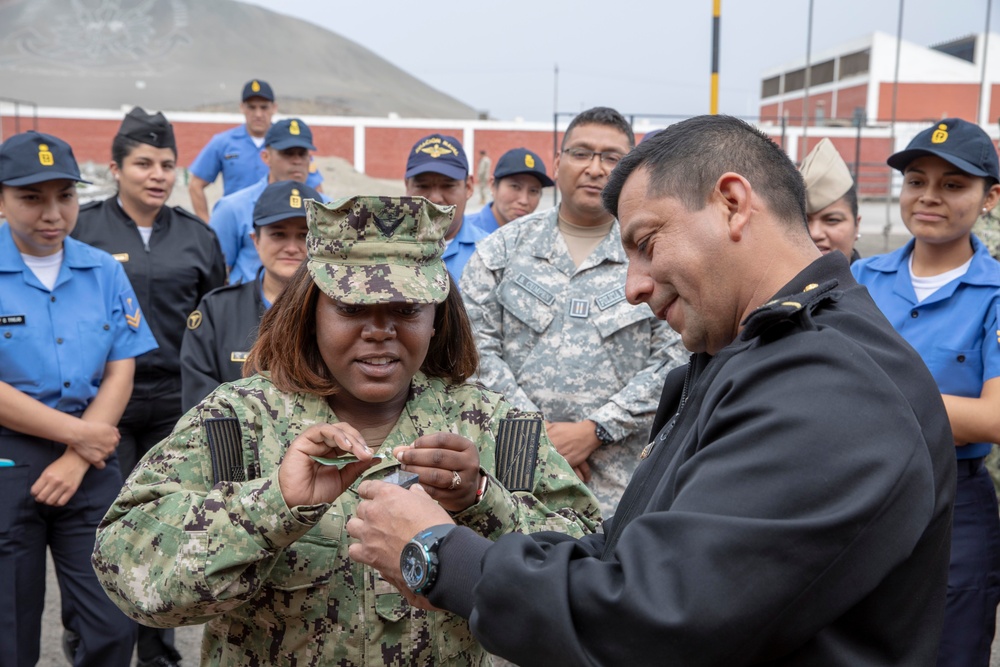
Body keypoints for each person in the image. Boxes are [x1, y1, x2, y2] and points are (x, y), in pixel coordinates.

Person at [347, 115, 957, 667]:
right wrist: (471, 530)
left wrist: (439, 554)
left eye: (646, 243)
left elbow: (654, 618)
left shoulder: (828, 387)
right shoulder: (756, 356)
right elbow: (627, 555)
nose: (634, 286)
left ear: (732, 203)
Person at [92, 195, 602, 666]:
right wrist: (273, 505)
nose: (379, 330)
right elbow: (128, 575)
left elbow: (585, 578)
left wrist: (483, 500)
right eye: (352, 308)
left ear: (437, 317)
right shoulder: (238, 421)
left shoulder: (495, 428)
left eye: (406, 310)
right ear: (310, 311)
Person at [459, 107, 686, 513]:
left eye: (612, 158)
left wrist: (595, 430)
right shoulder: (503, 250)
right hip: (515, 471)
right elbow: (475, 350)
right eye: (582, 153)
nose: (595, 168)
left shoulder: (659, 254)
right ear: (558, 162)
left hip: (619, 482)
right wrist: (539, 437)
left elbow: (676, 358)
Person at [71, 107, 226, 667]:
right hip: (102, 401)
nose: (157, 174)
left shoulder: (196, 236)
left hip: (173, 403)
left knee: (163, 524)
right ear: (116, 168)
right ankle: (91, 643)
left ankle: (158, 651)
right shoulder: (82, 227)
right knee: (97, 527)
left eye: (167, 164)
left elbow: (214, 316)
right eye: (143, 163)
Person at [0, 131, 157, 667]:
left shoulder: (103, 269)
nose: (52, 213)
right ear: (1, 199)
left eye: (64, 195)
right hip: (10, 459)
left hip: (90, 462)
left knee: (110, 624)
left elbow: (121, 364)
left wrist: (78, 454)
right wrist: (78, 437)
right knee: (9, 630)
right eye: (31, 197)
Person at [850, 117, 1000, 667]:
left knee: (950, 650)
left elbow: (993, 419)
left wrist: (875, 395)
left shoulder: (995, 294)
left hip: (954, 502)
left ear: (991, 197)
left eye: (953, 184)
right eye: (916, 180)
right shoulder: (860, 280)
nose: (929, 197)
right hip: (859, 494)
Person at [179, 179, 319, 412]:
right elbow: (199, 404)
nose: (292, 247)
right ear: (255, 241)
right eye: (278, 234)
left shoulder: (337, 310)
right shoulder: (217, 311)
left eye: (303, 234)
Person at [209, 117, 328, 285]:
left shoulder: (328, 209)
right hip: (251, 306)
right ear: (266, 156)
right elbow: (216, 272)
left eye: (302, 154)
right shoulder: (233, 208)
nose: (296, 160)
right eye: (287, 153)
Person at [187, 79, 323, 221]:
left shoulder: (292, 144)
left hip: (281, 221)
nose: (258, 114)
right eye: (252, 107)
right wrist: (207, 226)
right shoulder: (222, 142)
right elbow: (195, 185)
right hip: (238, 222)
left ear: (274, 108)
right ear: (242, 107)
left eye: (264, 107)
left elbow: (316, 189)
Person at [404, 133, 486, 283]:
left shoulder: (491, 252)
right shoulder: (381, 252)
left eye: (448, 186)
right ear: (407, 186)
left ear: (468, 187)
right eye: (423, 186)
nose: (435, 198)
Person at [799, 137, 862, 262]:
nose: (815, 233)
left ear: (857, 226)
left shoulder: (876, 281)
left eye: (832, 220)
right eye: (804, 221)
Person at [465, 147, 553, 234]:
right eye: (515, 187)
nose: (524, 200)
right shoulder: (462, 232)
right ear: (493, 185)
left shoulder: (541, 238)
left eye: (533, 191)